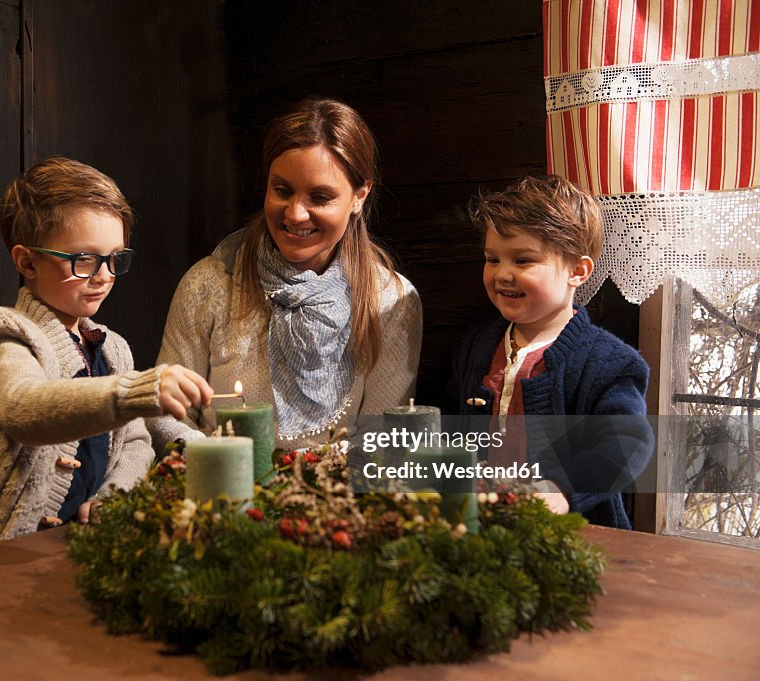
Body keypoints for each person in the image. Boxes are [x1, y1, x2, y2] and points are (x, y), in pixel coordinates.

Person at [0, 157, 212, 564]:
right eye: (84, 260)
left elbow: (135, 442)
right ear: (27, 262)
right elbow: (24, 408)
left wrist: (114, 493)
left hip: (65, 553)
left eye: (115, 259)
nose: (104, 276)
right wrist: (139, 390)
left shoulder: (113, 348)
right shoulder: (10, 333)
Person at [152, 98, 422, 450]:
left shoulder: (391, 300)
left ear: (360, 195)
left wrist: (315, 482)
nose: (295, 214)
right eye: (282, 190)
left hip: (337, 499)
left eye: (320, 197)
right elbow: (165, 412)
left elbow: (385, 434)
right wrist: (215, 463)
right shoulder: (210, 283)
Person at [446, 174, 653, 529]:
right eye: (492, 259)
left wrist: (559, 489)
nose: (502, 274)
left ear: (578, 270)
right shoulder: (476, 345)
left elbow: (627, 442)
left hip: (572, 537)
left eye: (523, 261)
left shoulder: (609, 362)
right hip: (483, 526)